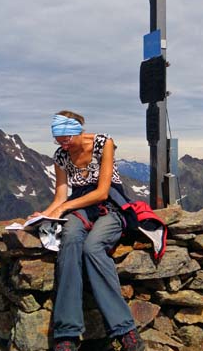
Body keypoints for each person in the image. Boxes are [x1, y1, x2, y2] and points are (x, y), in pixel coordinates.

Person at [34, 110, 145, 351]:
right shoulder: (61, 156)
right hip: (80, 206)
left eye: (66, 138)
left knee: (93, 247)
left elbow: (103, 191)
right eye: (58, 139)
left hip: (109, 205)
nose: (63, 143)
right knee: (71, 240)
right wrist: (44, 213)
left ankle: (125, 328)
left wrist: (64, 207)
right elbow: (61, 194)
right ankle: (66, 334)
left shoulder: (103, 143)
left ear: (77, 132)